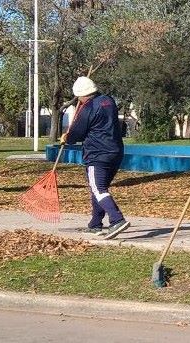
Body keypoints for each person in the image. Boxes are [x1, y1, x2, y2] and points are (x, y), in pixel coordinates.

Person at [61, 76, 130, 240]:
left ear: (82, 95)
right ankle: (95, 224)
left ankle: (117, 219)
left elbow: (77, 132)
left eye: (79, 97)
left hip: (97, 155)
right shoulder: (109, 101)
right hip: (116, 152)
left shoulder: (88, 108)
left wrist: (67, 137)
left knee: (99, 189)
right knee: (98, 189)